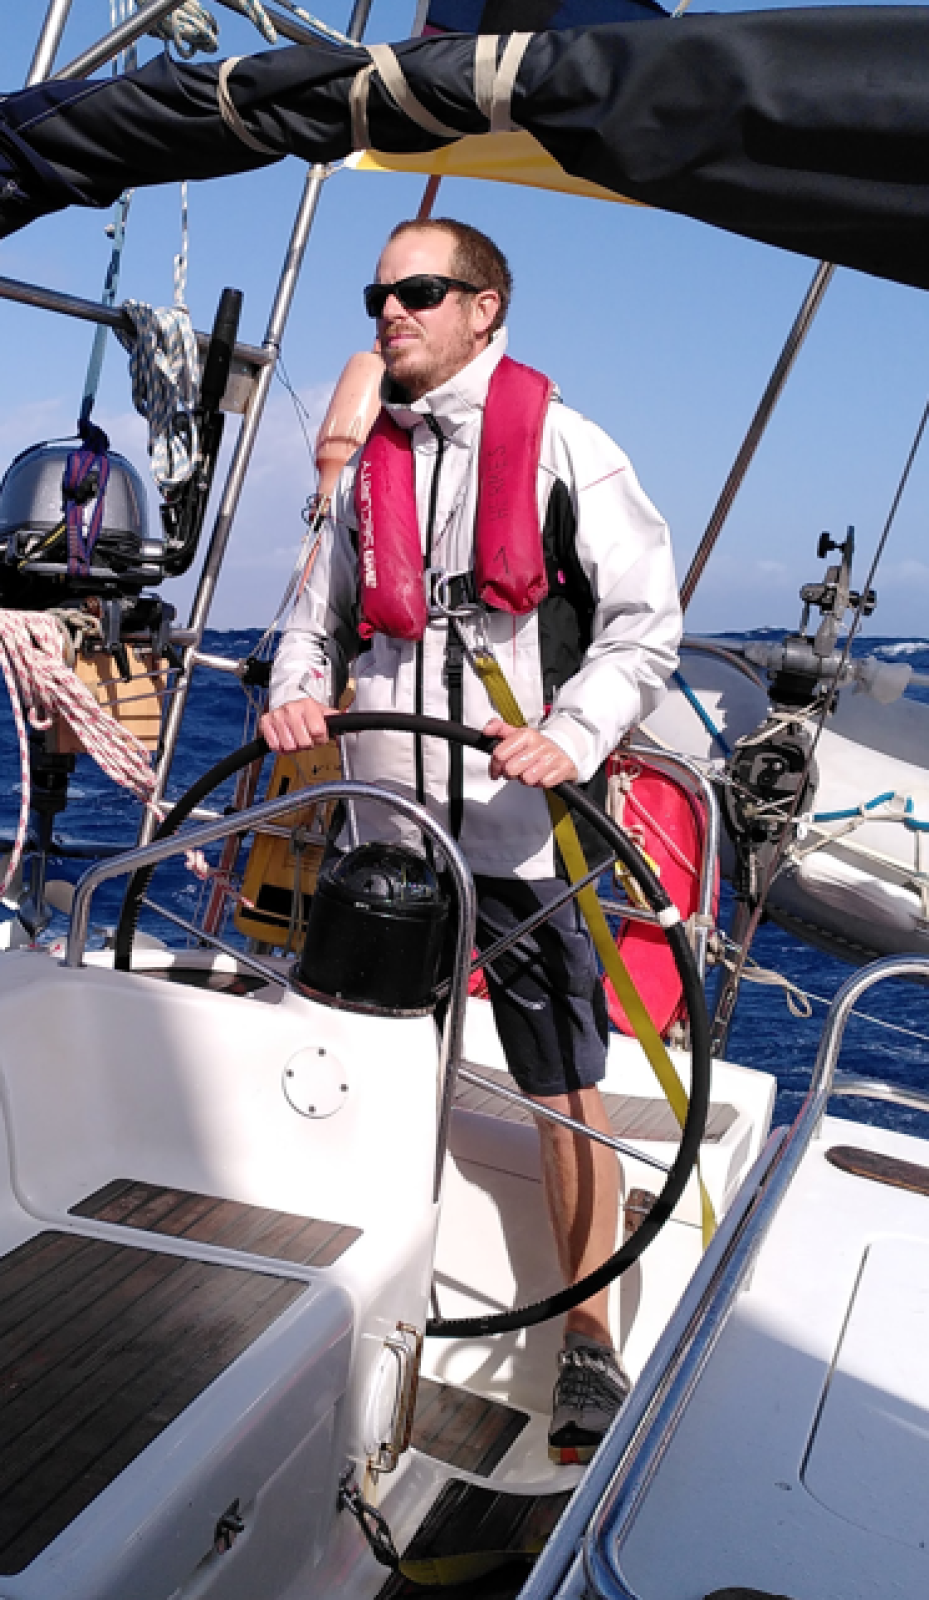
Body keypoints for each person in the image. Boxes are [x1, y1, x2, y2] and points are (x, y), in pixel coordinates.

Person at [261, 218, 682, 1463]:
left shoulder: (566, 447)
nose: (390, 311)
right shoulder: (368, 471)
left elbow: (645, 623)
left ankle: (587, 1342)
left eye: (420, 290)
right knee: (359, 1054)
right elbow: (313, 620)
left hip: (519, 832)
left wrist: (573, 732)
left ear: (484, 307)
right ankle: (340, 1283)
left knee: (561, 1089)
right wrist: (296, 689)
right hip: (387, 823)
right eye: (379, 294)